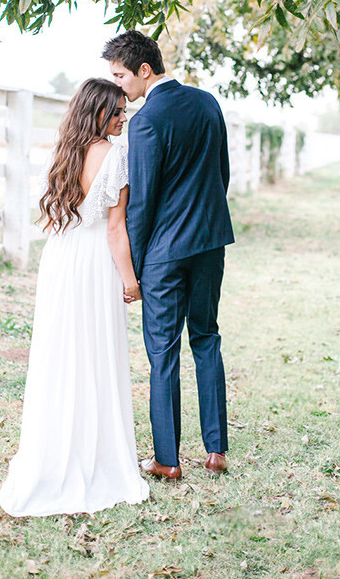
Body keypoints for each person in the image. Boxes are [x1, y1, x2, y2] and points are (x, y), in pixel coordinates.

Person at [0, 78, 149, 516]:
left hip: (61, 260)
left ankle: (55, 452)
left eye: (125, 110)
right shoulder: (115, 156)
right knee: (96, 355)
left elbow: (57, 217)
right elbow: (115, 228)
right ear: (99, 113)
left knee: (61, 355)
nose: (125, 117)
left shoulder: (62, 151)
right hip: (95, 263)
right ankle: (96, 457)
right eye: (118, 111)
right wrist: (130, 281)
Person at [102, 31, 234, 480]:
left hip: (162, 253)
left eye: (120, 75)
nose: (118, 85)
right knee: (207, 338)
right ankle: (215, 450)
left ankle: (167, 460)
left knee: (163, 353)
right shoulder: (208, 103)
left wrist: (132, 270)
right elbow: (222, 173)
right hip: (210, 242)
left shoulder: (145, 121)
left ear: (144, 70)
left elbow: (141, 204)